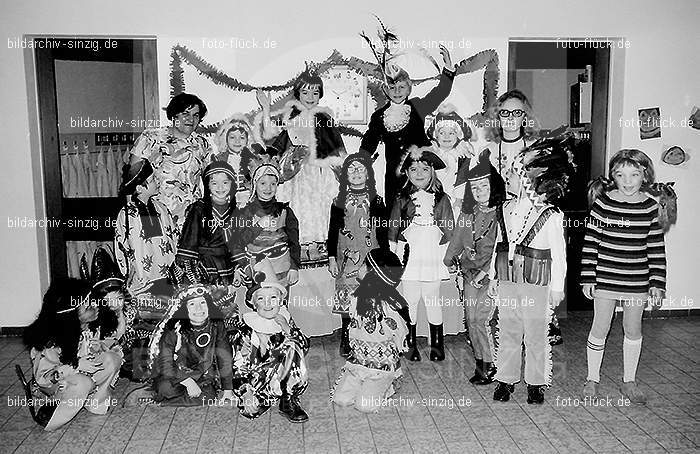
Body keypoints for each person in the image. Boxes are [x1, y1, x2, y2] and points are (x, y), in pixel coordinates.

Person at [486, 131, 575, 404]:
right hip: (507, 277)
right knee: (508, 329)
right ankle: (505, 379)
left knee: (536, 332)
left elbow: (559, 254)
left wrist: (558, 287)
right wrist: (492, 275)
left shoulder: (550, 214)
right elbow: (499, 245)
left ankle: (536, 382)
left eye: (513, 174)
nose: (508, 179)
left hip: (536, 279)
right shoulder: (505, 208)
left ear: (529, 180)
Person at [581, 149, 668, 404]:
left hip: (636, 282)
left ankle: (629, 381)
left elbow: (655, 248)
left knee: (633, 329)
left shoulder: (651, 208)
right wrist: (588, 277)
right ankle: (592, 379)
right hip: (606, 279)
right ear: (613, 178)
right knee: (600, 327)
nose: (628, 181)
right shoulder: (603, 204)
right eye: (621, 175)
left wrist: (657, 283)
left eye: (634, 174)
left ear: (645, 176)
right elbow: (591, 243)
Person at [256, 67, 347, 262]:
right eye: (305, 92)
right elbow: (273, 139)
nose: (310, 96)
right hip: (298, 173)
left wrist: (345, 169)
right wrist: (266, 109)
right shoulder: (291, 117)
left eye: (315, 92)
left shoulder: (324, 118)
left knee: (320, 207)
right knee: (300, 208)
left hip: (320, 172)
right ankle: (302, 245)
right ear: (298, 93)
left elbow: (337, 147)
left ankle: (317, 244)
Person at [359, 36, 456, 204]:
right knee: (395, 220)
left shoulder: (418, 106)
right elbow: (369, 141)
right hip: (394, 177)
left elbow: (440, 93)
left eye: (402, 87)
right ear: (385, 90)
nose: (397, 91)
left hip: (420, 172)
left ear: (409, 88)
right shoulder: (379, 116)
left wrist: (448, 68)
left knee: (424, 211)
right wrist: (360, 162)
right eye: (392, 87)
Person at [22, 278, 123, 431]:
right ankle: (52, 415)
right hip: (59, 383)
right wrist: (74, 366)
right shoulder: (51, 343)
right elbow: (44, 378)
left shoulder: (91, 326)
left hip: (82, 373)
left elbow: (109, 346)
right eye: (88, 306)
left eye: (93, 301)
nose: (95, 306)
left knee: (112, 359)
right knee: (82, 383)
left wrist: (100, 348)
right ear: (71, 315)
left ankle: (95, 402)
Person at [444, 151, 505, 385]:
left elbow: (503, 248)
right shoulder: (469, 212)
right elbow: (457, 240)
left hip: (491, 276)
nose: (479, 191)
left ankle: (492, 364)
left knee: (482, 320)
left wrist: (485, 272)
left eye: (484, 186)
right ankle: (481, 362)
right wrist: (448, 262)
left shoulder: (503, 214)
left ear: (494, 186)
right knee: (470, 321)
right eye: (475, 188)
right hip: (469, 275)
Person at [388, 146, 454, 362]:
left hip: (433, 252)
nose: (419, 174)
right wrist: (394, 254)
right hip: (410, 253)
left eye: (424, 170)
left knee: (433, 299)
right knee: (411, 299)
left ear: (432, 172)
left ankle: (437, 345)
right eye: (414, 169)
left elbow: (449, 228)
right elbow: (394, 227)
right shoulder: (401, 198)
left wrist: (449, 256)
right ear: (407, 173)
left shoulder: (442, 198)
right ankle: (410, 343)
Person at [228, 260, 309, 422]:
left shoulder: (284, 320)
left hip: (284, 376)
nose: (268, 303)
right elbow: (239, 366)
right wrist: (246, 392)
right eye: (261, 299)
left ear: (280, 301)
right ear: (253, 303)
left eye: (273, 297)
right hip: (258, 381)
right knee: (250, 411)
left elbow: (304, 346)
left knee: (292, 345)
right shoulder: (247, 329)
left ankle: (288, 398)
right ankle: (266, 396)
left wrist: (287, 329)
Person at [331, 248, 409, 413]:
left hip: (381, 367)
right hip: (359, 361)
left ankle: (391, 382)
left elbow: (400, 335)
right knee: (341, 400)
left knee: (364, 406)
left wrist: (393, 357)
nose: (359, 268)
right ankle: (364, 383)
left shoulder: (390, 306)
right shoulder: (355, 297)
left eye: (364, 265)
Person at [327, 153, 388, 357]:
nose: (356, 172)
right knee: (347, 299)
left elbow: (383, 232)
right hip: (346, 257)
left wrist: (385, 259)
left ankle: (371, 334)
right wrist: (331, 258)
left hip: (371, 256)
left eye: (360, 169)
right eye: (351, 169)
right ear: (345, 175)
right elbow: (332, 231)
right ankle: (347, 335)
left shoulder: (377, 201)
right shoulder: (338, 201)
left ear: (368, 174)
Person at [127, 93, 214, 229]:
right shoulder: (150, 138)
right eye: (185, 113)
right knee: (156, 250)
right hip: (155, 216)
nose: (191, 119)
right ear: (174, 115)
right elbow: (132, 182)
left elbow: (211, 181)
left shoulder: (202, 144)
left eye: (196, 115)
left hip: (192, 220)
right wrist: (138, 221)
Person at [149, 284, 235, 406]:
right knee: (166, 389)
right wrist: (187, 381)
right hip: (176, 373)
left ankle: (165, 403)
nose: (199, 309)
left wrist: (227, 389)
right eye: (192, 304)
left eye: (202, 303)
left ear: (209, 305)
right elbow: (164, 362)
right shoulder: (174, 329)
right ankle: (167, 397)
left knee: (209, 397)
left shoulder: (216, 325)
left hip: (203, 375)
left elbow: (224, 357)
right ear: (185, 309)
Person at [228, 156, 300, 293]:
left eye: (273, 183)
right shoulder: (245, 213)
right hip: (256, 269)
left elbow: (294, 242)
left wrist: (294, 267)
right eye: (263, 183)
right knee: (261, 305)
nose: (268, 188)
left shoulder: (285, 211)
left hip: (282, 268)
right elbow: (237, 242)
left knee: (279, 305)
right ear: (255, 184)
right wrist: (238, 267)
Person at [115, 158, 179, 297]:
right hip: (142, 282)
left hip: (167, 276)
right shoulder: (126, 215)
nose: (158, 182)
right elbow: (123, 248)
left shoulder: (161, 208)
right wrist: (130, 276)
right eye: (153, 180)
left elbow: (173, 238)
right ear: (139, 188)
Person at [176, 161, 239, 287]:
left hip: (226, 267)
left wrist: (238, 268)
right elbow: (189, 241)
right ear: (207, 185)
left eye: (225, 183)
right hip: (202, 267)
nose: (220, 188)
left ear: (232, 184)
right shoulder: (198, 209)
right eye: (214, 183)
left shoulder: (235, 211)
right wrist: (191, 274)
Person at [427, 103, 474, 217]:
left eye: (451, 133)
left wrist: (458, 199)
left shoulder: (463, 157)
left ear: (457, 136)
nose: (446, 137)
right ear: (436, 136)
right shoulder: (430, 156)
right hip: (433, 200)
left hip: (455, 201)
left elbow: (463, 179)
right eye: (442, 133)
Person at [213, 114, 261, 206]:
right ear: (225, 139)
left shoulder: (254, 160)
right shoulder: (218, 160)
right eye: (232, 137)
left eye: (242, 138)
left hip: (250, 202)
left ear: (248, 140)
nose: (237, 141)